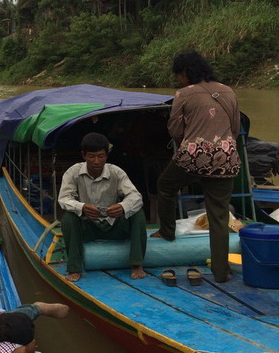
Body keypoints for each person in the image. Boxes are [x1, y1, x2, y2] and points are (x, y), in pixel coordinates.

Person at [151, 50, 241, 283]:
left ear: (185, 72)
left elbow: (175, 129)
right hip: (227, 157)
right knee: (219, 215)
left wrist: (189, 146)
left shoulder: (184, 94)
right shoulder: (229, 91)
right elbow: (235, 128)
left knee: (166, 185)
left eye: (178, 75)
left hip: (195, 155)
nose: (178, 80)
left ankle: (167, 231)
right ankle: (221, 273)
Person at [58, 132, 147, 282]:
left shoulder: (116, 172)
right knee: (68, 217)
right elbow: (64, 199)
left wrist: (123, 206)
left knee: (137, 212)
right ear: (83, 155)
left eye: (101, 156)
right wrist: (82, 207)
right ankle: (74, 267)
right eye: (91, 156)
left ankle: (137, 264)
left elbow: (136, 196)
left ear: (107, 155)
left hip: (114, 226)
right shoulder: (73, 172)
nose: (96, 161)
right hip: (88, 228)